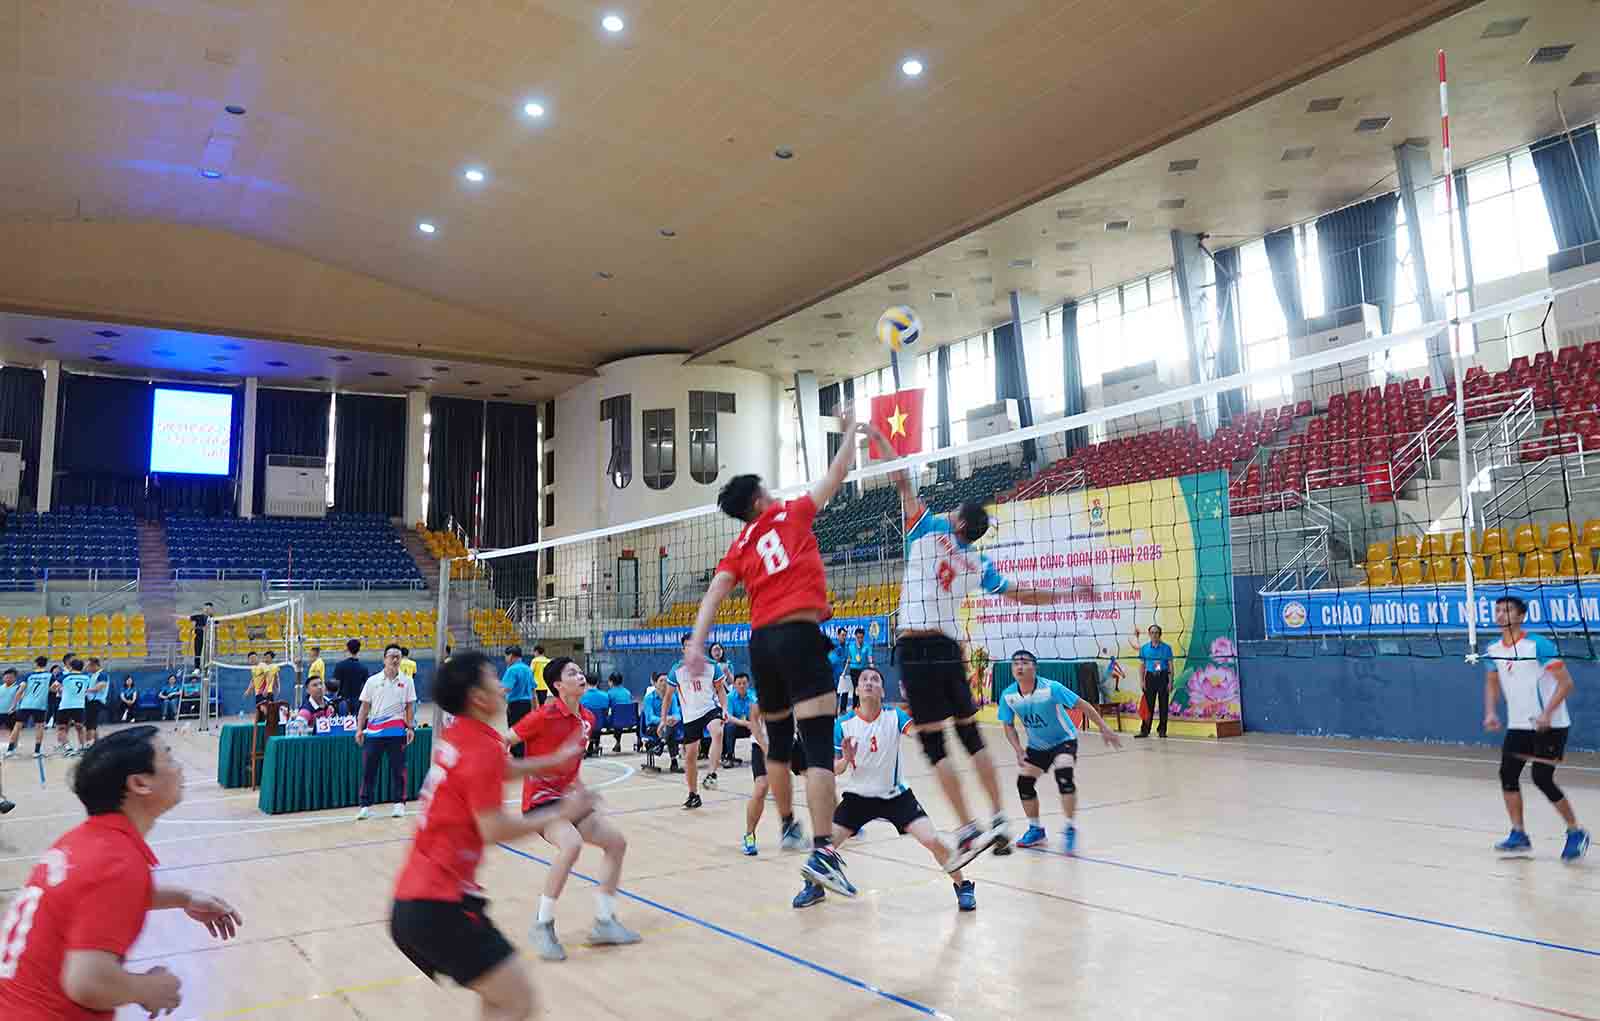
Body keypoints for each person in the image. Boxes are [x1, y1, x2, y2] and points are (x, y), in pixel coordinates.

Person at [872, 427, 1075, 871]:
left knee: (933, 744)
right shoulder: (979, 563)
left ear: (959, 522)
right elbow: (1020, 594)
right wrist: (1065, 593)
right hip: (949, 648)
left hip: (917, 646)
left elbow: (901, 478)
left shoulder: (925, 529)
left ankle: (966, 828)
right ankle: (1001, 818)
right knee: (970, 734)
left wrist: (878, 435)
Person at [685, 407, 866, 896]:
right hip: (799, 634)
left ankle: (787, 823)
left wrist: (698, 645)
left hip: (760, 642)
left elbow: (715, 595)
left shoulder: (740, 544)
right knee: (820, 744)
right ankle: (823, 848)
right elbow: (839, 471)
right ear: (762, 497)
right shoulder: (791, 512)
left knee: (779, 745)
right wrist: (850, 431)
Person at [390, 651, 593, 1020]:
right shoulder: (481, 747)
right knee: (518, 999)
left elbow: (502, 766)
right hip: (439, 905)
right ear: (479, 698)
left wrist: (551, 761)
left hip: (417, 900)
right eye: (492, 679)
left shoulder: (463, 735)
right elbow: (493, 829)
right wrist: (561, 812)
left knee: (499, 1000)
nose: (502, 685)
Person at [0, 726, 242, 1020]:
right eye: (169, 757)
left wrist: (185, 897)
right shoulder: (116, 861)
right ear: (140, 783)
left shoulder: (85, 842)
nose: (179, 767)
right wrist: (148, 988)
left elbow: (98, 900)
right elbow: (87, 981)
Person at [793, 669, 976, 911]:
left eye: (875, 680)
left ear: (881, 690)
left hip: (896, 795)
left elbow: (918, 734)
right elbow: (835, 769)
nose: (869, 683)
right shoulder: (843, 724)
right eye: (864, 680)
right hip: (857, 797)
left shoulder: (894, 715)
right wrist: (846, 759)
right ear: (856, 690)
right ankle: (814, 886)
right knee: (824, 845)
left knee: (933, 840)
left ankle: (963, 885)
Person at [511, 657, 643, 962]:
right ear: (557, 685)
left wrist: (583, 792)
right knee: (570, 844)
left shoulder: (587, 719)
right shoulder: (542, 716)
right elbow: (505, 741)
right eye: (572, 673)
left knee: (616, 842)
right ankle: (542, 925)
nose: (581, 676)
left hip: (568, 799)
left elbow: (571, 768)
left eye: (580, 671)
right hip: (540, 803)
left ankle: (605, 922)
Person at [1483, 595, 1589, 861]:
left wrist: (1546, 714)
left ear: (1520, 616)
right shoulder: (1494, 648)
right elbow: (1492, 682)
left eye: (1507, 610)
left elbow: (1566, 683)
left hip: (1550, 725)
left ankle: (1576, 832)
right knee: (1507, 775)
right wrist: (1491, 712)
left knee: (1542, 778)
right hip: (1519, 725)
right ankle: (1519, 834)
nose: (1500, 615)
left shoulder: (1538, 644)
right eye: (1497, 610)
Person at [998, 650, 1121, 854]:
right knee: (1024, 783)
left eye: (1025, 662)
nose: (1019, 667)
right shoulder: (1008, 695)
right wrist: (1018, 749)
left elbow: (1083, 705)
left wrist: (1104, 727)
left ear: (1034, 667)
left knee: (1064, 774)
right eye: (1015, 664)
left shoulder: (1051, 688)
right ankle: (1036, 829)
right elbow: (1008, 725)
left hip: (1064, 740)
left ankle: (1070, 827)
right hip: (1037, 746)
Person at [355, 644, 418, 821]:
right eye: (391, 656)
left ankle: (399, 804)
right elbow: (364, 707)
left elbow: (409, 707)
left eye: (398, 656)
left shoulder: (407, 681)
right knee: (369, 771)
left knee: (399, 770)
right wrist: (359, 729)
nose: (395, 659)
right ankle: (365, 806)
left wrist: (410, 727)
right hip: (373, 734)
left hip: (397, 733)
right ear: (384, 659)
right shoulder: (372, 681)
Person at [668, 634, 726, 807]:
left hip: (710, 709)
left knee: (718, 731)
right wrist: (664, 719)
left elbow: (721, 690)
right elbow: (668, 696)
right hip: (690, 716)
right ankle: (693, 794)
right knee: (690, 756)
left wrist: (724, 708)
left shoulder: (712, 666)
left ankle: (712, 774)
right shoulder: (677, 669)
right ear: (683, 649)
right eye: (688, 646)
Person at [8, 657, 52, 759]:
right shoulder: (50, 676)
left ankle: (10, 750)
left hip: (26, 705)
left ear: (36, 664)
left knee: (17, 726)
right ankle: (37, 752)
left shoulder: (28, 675)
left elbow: (20, 691)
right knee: (39, 727)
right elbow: (55, 687)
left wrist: (14, 705)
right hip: (40, 706)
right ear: (45, 664)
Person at [1136, 625, 1175, 739]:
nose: (1154, 635)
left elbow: (1171, 666)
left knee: (1163, 705)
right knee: (1148, 706)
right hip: (1150, 678)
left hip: (1162, 677)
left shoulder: (1166, 648)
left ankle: (1162, 730)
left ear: (1160, 634)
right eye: (1152, 632)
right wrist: (1142, 681)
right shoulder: (1144, 648)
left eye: (1157, 632)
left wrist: (1170, 682)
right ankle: (1145, 730)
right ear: (1149, 634)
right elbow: (1142, 666)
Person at [640, 674, 681, 774]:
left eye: (666, 681)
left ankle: (661, 744)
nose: (664, 683)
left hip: (668, 727)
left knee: (671, 727)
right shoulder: (649, 698)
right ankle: (674, 762)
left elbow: (677, 714)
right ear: (655, 683)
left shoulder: (672, 697)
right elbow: (650, 718)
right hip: (653, 727)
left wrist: (673, 718)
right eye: (661, 680)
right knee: (670, 728)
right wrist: (664, 720)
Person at [501, 646, 536, 756]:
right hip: (526, 704)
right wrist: (535, 706)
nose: (505, 659)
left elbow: (506, 688)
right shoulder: (528, 669)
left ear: (511, 656)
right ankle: (522, 753)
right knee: (524, 729)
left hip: (515, 704)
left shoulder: (511, 669)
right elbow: (533, 689)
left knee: (514, 731)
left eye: (505, 657)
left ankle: (517, 754)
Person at [56, 658, 91, 758]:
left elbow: (54, 687)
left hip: (65, 705)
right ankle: (83, 747)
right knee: (80, 727)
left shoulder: (65, 677)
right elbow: (86, 689)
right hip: (79, 705)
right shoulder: (86, 678)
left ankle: (68, 748)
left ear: (71, 667)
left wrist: (61, 689)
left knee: (61, 728)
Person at [722, 672, 757, 768]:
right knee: (729, 726)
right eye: (739, 683)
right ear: (734, 685)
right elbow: (728, 716)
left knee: (760, 725)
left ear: (748, 684)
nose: (742, 686)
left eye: (744, 683)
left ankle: (759, 755)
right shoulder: (729, 697)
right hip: (737, 726)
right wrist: (745, 723)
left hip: (751, 725)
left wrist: (752, 723)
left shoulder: (753, 696)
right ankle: (729, 756)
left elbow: (758, 713)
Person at [332, 639, 367, 715]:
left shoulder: (340, 666)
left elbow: (335, 685)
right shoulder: (363, 668)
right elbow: (366, 687)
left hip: (343, 701)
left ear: (347, 649)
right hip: (358, 701)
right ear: (359, 650)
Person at [579, 676, 611, 757]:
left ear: (586, 682)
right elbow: (606, 711)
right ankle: (595, 744)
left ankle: (589, 745)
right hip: (600, 723)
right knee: (598, 721)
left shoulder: (581, 696)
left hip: (586, 725)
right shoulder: (605, 695)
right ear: (597, 682)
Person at [845, 627, 874, 708]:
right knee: (856, 688)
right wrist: (844, 671)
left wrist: (872, 666)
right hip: (854, 670)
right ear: (855, 636)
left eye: (861, 637)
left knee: (863, 688)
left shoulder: (867, 646)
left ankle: (863, 705)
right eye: (858, 637)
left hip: (864, 670)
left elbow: (870, 657)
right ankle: (855, 707)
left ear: (863, 637)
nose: (859, 639)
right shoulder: (850, 646)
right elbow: (849, 659)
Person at [84, 657, 110, 746]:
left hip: (96, 701)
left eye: (89, 666)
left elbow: (99, 687)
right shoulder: (92, 674)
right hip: (90, 701)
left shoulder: (102, 674)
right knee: (91, 724)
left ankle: (89, 744)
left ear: (94, 665)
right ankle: (97, 743)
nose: (87, 668)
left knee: (90, 724)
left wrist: (85, 690)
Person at [605, 673, 633, 753]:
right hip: (629, 720)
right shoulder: (627, 692)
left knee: (612, 717)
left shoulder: (610, 693)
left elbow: (606, 709)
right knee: (619, 716)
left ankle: (596, 743)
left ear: (611, 682)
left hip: (616, 721)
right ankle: (618, 742)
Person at [0, 667, 22, 756]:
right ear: (3, 678)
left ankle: (12, 747)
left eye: (10, 677)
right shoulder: (0, 688)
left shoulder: (18, 688)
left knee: (13, 731)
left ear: (15, 678)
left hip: (12, 713)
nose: (8, 679)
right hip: (0, 712)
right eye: (6, 677)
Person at [189, 601, 214, 668]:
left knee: (208, 654)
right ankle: (197, 668)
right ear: (203, 609)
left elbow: (217, 627)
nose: (207, 610)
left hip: (209, 638)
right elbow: (192, 625)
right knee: (197, 653)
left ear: (212, 610)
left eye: (209, 609)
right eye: (206, 608)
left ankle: (207, 668)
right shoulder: (197, 617)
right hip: (199, 637)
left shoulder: (213, 619)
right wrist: (199, 627)